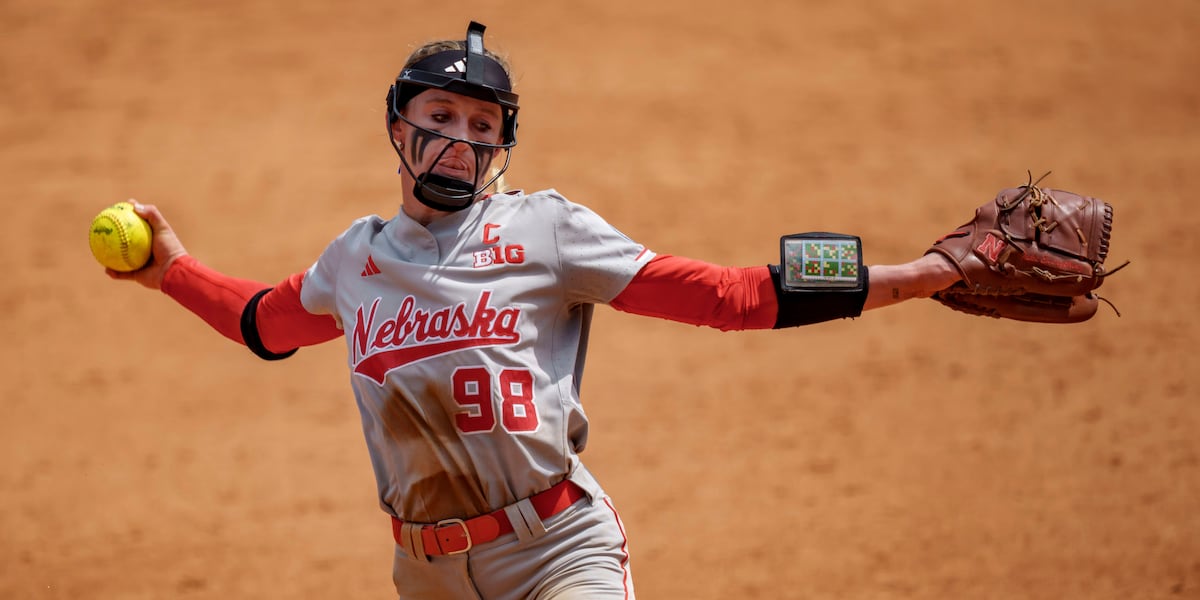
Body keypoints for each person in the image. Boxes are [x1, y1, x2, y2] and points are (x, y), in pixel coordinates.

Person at [107, 21, 960, 600]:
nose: (461, 138)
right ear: (397, 127)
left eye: (484, 124)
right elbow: (262, 321)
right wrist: (172, 271)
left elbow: (728, 295)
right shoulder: (355, 260)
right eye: (440, 115)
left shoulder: (545, 231)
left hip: (558, 552)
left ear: (502, 146)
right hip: (425, 574)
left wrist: (918, 272)